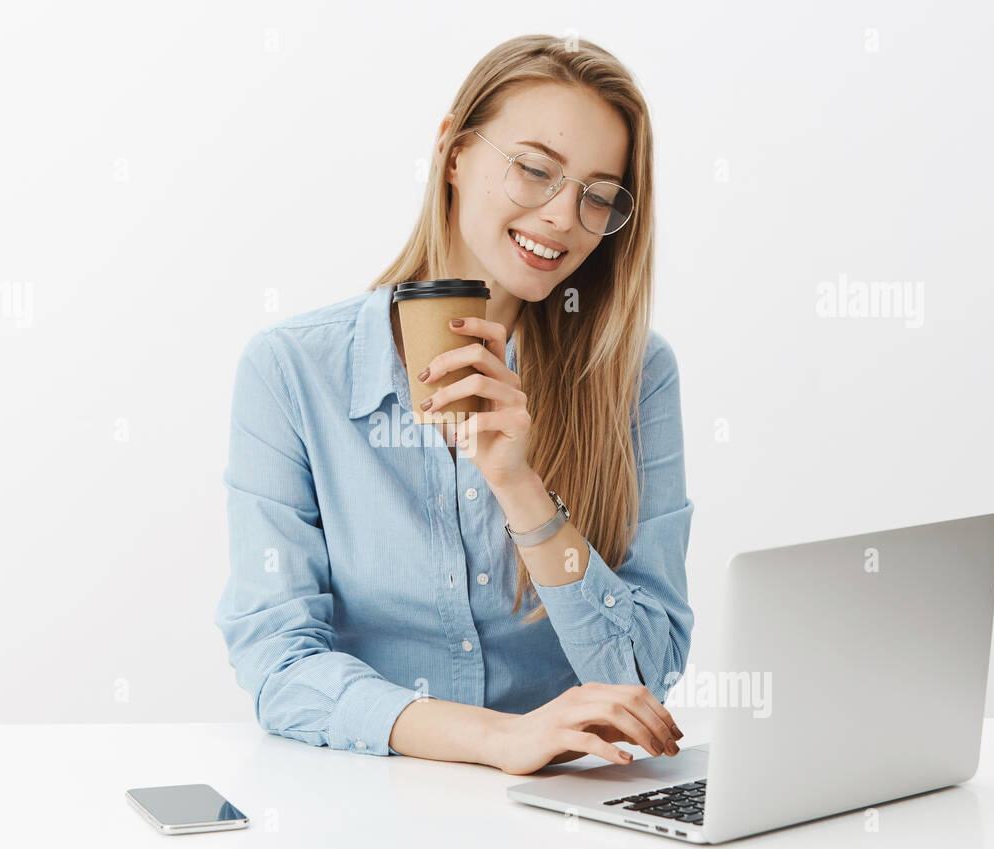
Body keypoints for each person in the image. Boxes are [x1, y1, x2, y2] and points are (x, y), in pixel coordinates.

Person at [215, 34, 694, 775]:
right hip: (367, 799)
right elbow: (278, 665)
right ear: (454, 152)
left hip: (568, 813)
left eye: (598, 195)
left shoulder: (633, 376)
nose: (564, 217)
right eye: (535, 170)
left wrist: (521, 487)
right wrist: (499, 739)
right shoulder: (291, 371)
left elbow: (642, 677)